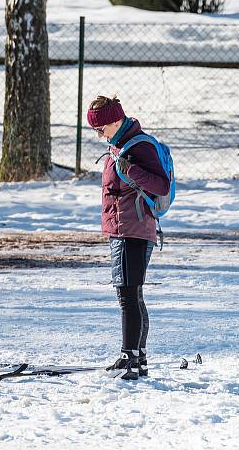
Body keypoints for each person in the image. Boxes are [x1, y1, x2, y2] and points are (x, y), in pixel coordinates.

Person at [88, 95, 170, 380]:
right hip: (124, 228)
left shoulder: (140, 145)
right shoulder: (120, 145)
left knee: (128, 296)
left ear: (114, 120)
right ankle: (139, 359)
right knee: (133, 295)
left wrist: (130, 170)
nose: (98, 135)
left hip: (132, 230)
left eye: (100, 129)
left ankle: (129, 358)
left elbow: (161, 185)